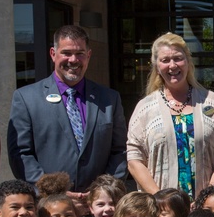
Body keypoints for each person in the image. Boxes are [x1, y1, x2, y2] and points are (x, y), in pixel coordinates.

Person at [8, 24, 128, 196]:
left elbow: (120, 150)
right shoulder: (26, 98)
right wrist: (54, 193)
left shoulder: (109, 99)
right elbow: (21, 155)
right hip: (49, 208)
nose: (73, 60)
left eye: (80, 53)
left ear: (88, 55)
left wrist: (103, 192)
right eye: (66, 53)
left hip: (98, 207)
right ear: (53, 54)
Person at [127, 33, 214, 198]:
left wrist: (208, 197)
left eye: (178, 58)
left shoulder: (211, 102)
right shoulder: (145, 109)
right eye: (165, 60)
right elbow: (134, 159)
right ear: (156, 66)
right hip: (161, 211)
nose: (172, 65)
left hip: (203, 209)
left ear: (188, 62)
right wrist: (161, 198)